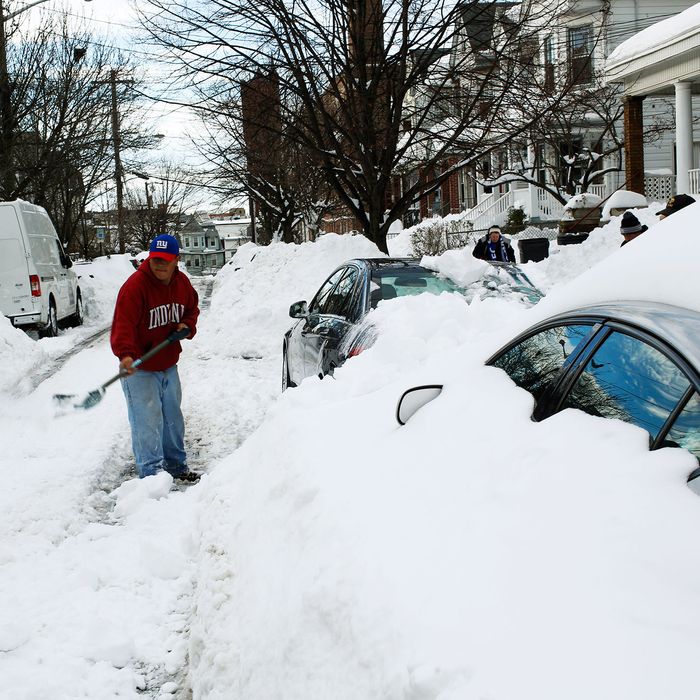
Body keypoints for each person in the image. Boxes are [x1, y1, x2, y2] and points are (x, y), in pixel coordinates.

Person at [111, 234, 200, 481]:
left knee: (172, 419)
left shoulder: (182, 284)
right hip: (140, 368)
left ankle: (176, 467)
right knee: (147, 423)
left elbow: (192, 308)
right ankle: (151, 476)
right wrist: (126, 355)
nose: (159, 264)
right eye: (155, 259)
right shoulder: (135, 287)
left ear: (176, 260)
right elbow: (123, 325)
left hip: (168, 364)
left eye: (165, 260)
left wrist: (186, 324)